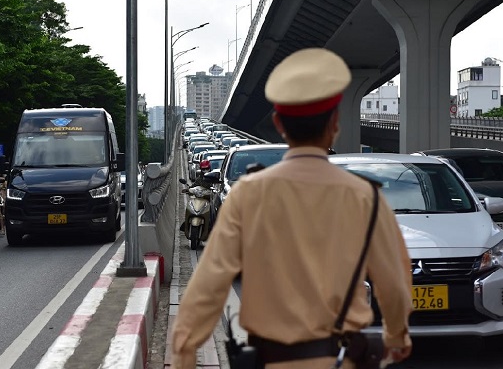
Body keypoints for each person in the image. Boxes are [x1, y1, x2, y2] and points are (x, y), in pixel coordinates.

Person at [171, 48, 412, 368]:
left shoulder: (247, 194)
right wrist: (397, 336)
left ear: (279, 123)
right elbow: (394, 283)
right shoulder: (366, 197)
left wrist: (184, 349)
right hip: (342, 359)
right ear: (335, 124)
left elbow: (210, 284)